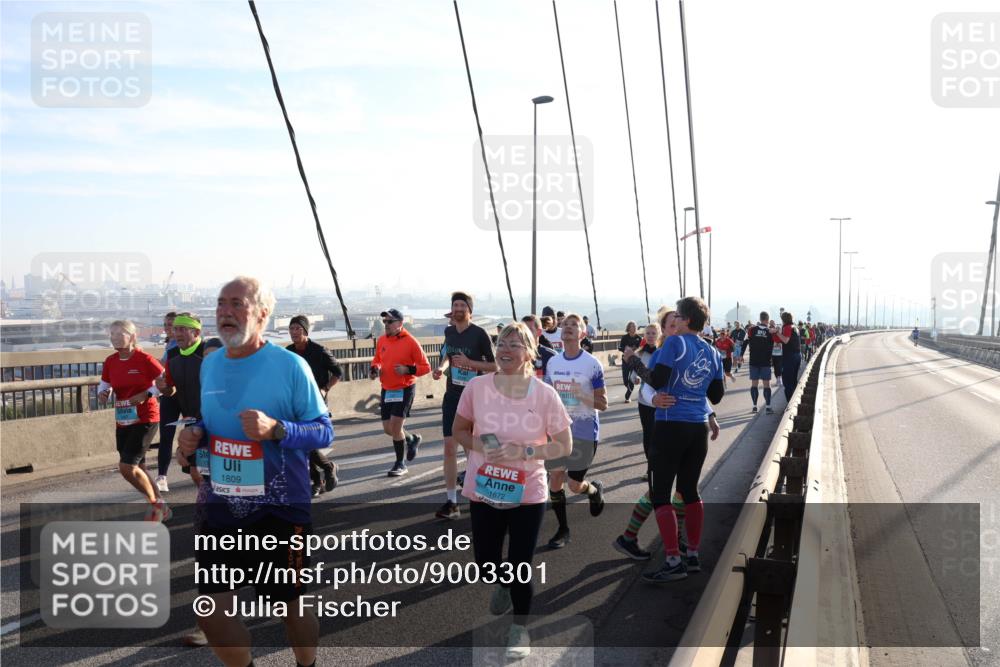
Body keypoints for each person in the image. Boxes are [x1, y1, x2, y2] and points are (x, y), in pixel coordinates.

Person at [176, 276, 332, 667]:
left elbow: (323, 430)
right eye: (220, 303)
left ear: (262, 314)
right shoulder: (210, 364)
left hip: (279, 509)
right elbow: (207, 421)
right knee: (211, 612)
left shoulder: (291, 365)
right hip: (220, 507)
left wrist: (276, 429)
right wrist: (192, 435)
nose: (225, 312)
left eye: (237, 303)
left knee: (290, 606)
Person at [451, 322, 573, 660]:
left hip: (527, 492)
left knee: (520, 564)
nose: (506, 349)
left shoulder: (544, 394)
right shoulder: (477, 387)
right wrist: (480, 446)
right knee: (485, 564)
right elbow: (459, 429)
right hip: (485, 487)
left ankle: (520, 628)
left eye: (515, 344)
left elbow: (564, 445)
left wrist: (526, 453)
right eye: (502, 342)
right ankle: (500, 581)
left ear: (529, 353)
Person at [640, 297, 724, 582]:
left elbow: (657, 380)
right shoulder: (713, 352)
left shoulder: (674, 343)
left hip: (669, 426)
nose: (674, 318)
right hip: (697, 428)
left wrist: (633, 364)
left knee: (661, 495)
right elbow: (716, 396)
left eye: (678, 314)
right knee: (690, 491)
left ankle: (673, 560)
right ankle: (693, 555)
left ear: (686, 320)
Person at [153, 312, 210, 648]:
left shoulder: (211, 354)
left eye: (182, 330)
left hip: (217, 428)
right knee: (195, 473)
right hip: (193, 426)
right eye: (174, 330)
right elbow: (171, 389)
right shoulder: (173, 357)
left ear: (196, 332)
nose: (176, 334)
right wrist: (165, 388)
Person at [544, 313, 607, 549]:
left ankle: (592, 489)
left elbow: (603, 404)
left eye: (574, 325)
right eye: (565, 325)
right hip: (559, 431)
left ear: (582, 333)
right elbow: (547, 398)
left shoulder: (591, 364)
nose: (568, 328)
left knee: (573, 484)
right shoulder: (553, 363)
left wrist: (580, 395)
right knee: (556, 479)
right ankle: (562, 529)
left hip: (584, 431)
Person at [432, 292, 496, 520]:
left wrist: (470, 364)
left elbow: (495, 366)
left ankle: (482, 496)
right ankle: (452, 502)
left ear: (469, 310)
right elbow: (449, 356)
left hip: (476, 397)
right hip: (452, 396)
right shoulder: (449, 331)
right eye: (455, 305)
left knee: (472, 449)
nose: (458, 308)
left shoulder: (480, 334)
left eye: (462, 305)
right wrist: (442, 367)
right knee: (449, 448)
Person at [98, 319, 170, 520]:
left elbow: (165, 382)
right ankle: (160, 504)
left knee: (127, 466)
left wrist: (146, 394)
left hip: (146, 417)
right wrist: (104, 393)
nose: (115, 338)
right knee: (139, 467)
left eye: (119, 334)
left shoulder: (144, 359)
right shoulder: (110, 361)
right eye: (112, 334)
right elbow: (104, 384)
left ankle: (156, 507)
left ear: (132, 336)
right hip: (123, 418)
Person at [370, 308, 431, 477]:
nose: (386, 325)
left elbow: (426, 367)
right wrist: (375, 368)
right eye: (385, 322)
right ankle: (411, 439)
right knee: (388, 429)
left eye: (390, 322)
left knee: (396, 428)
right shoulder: (382, 340)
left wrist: (408, 369)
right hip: (387, 389)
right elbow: (377, 360)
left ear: (399, 323)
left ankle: (400, 463)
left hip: (404, 389)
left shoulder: (411, 342)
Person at [286, 315, 342, 497]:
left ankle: (326, 469)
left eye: (298, 329)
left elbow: (338, 372)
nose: (294, 332)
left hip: (316, 403)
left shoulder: (319, 351)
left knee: (306, 441)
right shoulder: (288, 352)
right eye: (292, 329)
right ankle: (318, 479)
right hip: (296, 403)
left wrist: (325, 388)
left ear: (305, 331)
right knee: (302, 443)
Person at [155, 311, 180, 493]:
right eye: (165, 325)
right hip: (169, 394)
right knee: (166, 436)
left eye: (170, 324)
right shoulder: (169, 347)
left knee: (195, 435)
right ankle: (162, 476)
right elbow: (160, 370)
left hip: (188, 396)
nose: (167, 328)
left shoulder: (188, 346)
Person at [745, 312, 777, 414]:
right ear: (767, 320)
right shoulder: (770, 331)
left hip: (753, 360)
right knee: (766, 385)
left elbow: (745, 341)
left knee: (754, 384)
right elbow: (777, 342)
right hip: (765, 361)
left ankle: (754, 407)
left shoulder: (751, 330)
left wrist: (741, 355)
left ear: (760, 318)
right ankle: (768, 407)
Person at [775, 312, 802, 401]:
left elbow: (786, 340)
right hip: (797, 355)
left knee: (787, 380)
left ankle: (789, 402)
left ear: (783, 319)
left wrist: (777, 332)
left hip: (790, 356)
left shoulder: (787, 327)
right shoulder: (795, 327)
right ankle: (794, 400)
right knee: (793, 380)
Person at [617, 321, 642, 402]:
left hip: (634, 361)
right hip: (625, 360)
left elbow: (642, 349)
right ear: (628, 328)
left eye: (635, 326)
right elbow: (620, 348)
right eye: (632, 326)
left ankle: (627, 397)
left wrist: (636, 350)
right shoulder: (624, 338)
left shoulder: (639, 338)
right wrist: (627, 349)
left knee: (632, 378)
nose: (634, 328)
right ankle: (628, 390)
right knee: (625, 381)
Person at [770, 320, 784, 389]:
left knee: (780, 367)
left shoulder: (782, 336)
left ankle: (780, 379)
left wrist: (780, 344)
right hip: (774, 354)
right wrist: (773, 344)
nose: (778, 330)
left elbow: (784, 342)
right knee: (775, 368)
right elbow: (770, 342)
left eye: (779, 329)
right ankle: (777, 379)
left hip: (780, 354)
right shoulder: (773, 335)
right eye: (777, 329)